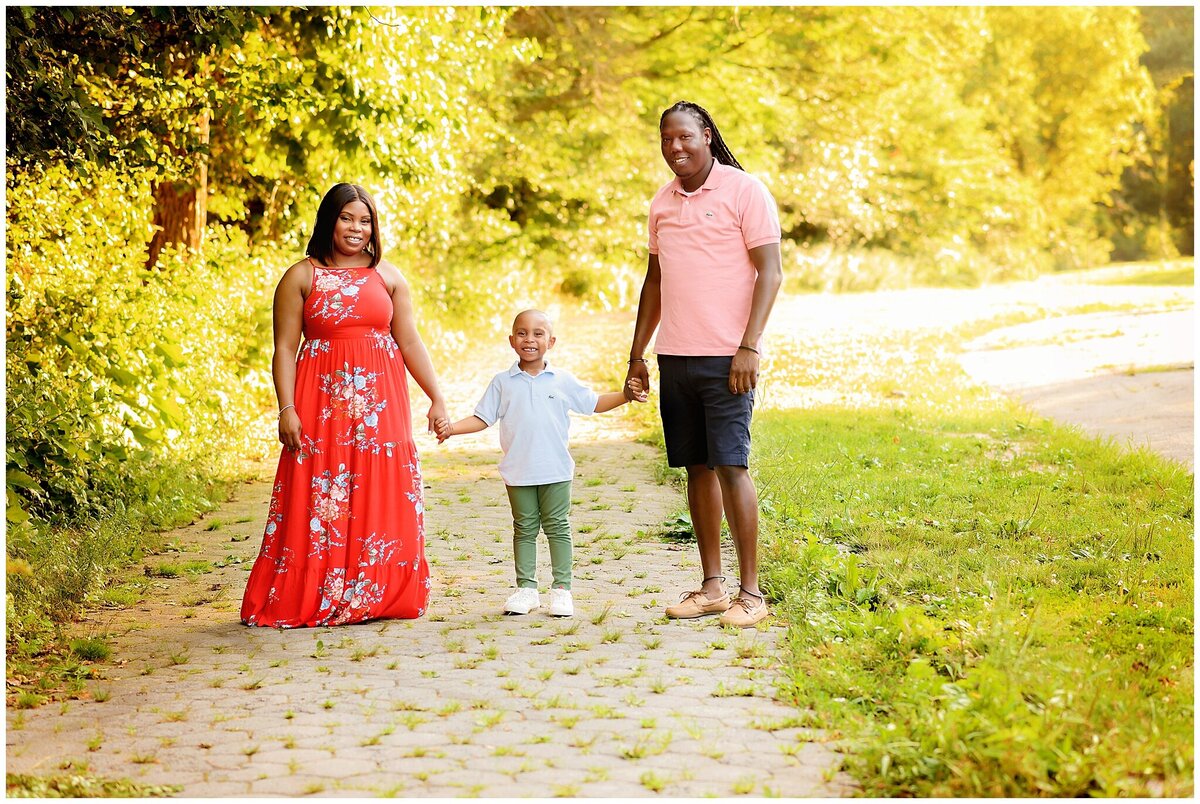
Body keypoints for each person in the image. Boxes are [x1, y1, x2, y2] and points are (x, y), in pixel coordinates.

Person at [241, 183, 448, 628]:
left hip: (381, 404)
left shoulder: (387, 277)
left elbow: (409, 340)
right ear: (329, 221)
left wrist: (437, 396)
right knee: (321, 495)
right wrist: (286, 408)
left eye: (365, 220)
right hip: (320, 404)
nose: (356, 228)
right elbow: (283, 347)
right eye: (347, 218)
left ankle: (378, 592)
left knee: (380, 489)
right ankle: (316, 588)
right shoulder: (301, 276)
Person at [624, 101, 783, 628]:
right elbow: (656, 283)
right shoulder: (661, 205)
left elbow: (770, 273)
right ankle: (712, 587)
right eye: (667, 139)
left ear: (708, 135)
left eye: (685, 137)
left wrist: (749, 347)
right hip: (676, 357)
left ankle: (751, 594)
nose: (676, 148)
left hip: (727, 359)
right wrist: (638, 356)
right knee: (696, 468)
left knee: (732, 466)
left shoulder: (744, 190)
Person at [435, 309, 647, 618]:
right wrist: (452, 428)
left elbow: (593, 403)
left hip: (556, 469)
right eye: (522, 333)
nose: (529, 339)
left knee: (558, 528)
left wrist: (626, 395)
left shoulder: (561, 380)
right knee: (524, 529)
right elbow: (482, 418)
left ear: (551, 341)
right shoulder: (503, 382)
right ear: (511, 340)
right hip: (518, 471)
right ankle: (527, 590)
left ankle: (561, 590)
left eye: (537, 333)